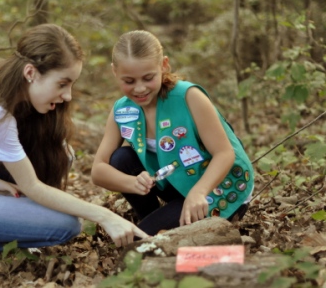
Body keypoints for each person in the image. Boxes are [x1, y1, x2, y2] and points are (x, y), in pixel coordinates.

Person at [0, 24, 148, 271]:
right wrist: (106, 216)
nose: (67, 95)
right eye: (62, 84)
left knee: (61, 154)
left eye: (71, 85)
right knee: (67, 225)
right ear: (31, 73)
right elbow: (32, 187)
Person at [91, 30, 254, 236]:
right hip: (176, 184)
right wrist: (134, 183)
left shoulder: (188, 96)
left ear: (164, 65)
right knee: (121, 158)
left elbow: (225, 153)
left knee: (140, 244)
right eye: (129, 81)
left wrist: (199, 192)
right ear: (115, 72)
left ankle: (156, 226)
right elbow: (98, 170)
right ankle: (152, 219)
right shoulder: (122, 110)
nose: (139, 89)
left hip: (216, 187)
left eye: (148, 78)